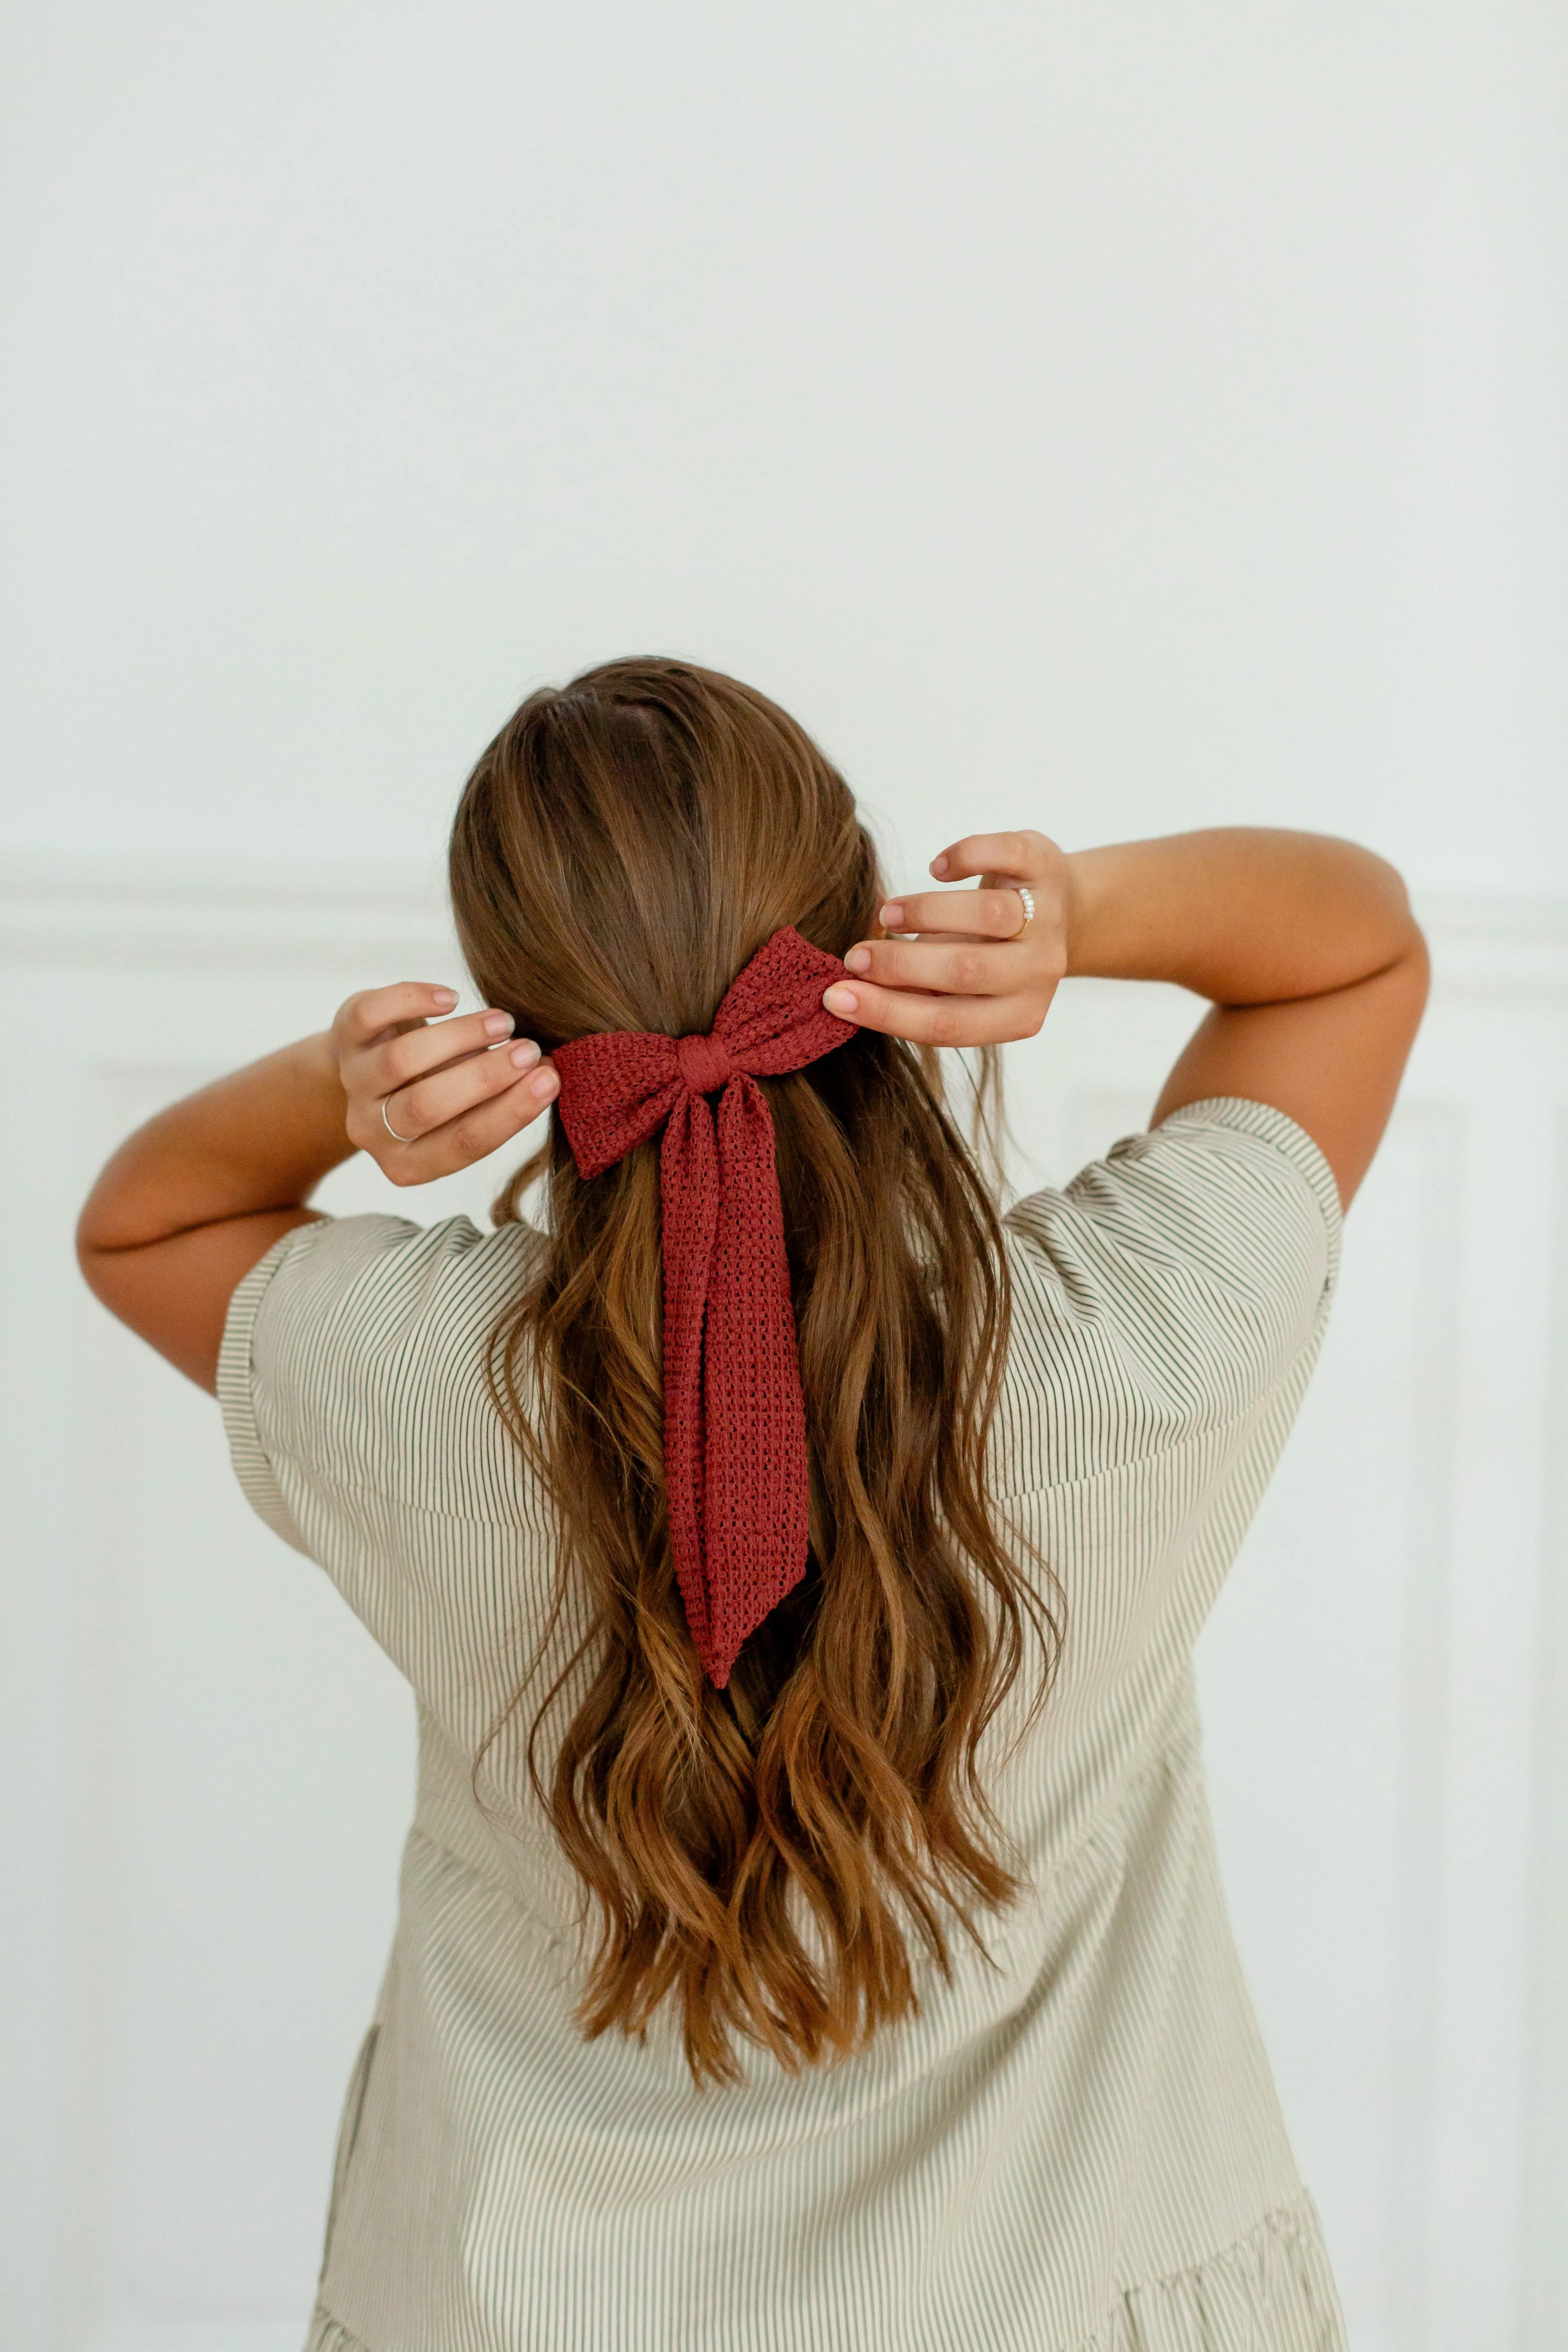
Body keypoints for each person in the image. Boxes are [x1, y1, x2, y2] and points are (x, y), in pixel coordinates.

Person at [77, 657, 1428, 2352]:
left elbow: (143, 1223)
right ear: (852, 938)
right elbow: (1353, 951)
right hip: (1086, 2300)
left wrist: (338, 1096)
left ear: (520, 1025)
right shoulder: (1134, 1338)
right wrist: (1073, 911)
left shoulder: (405, 1375)